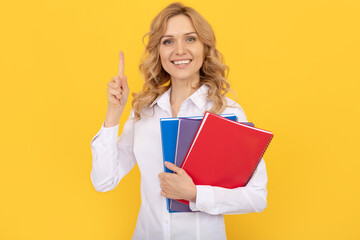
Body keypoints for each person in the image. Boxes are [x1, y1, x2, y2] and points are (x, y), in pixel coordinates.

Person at [90, 2, 268, 240]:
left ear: (205, 47)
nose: (179, 50)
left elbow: (257, 197)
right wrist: (114, 112)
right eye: (168, 41)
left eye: (190, 39)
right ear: (159, 51)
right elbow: (104, 181)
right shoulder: (144, 112)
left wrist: (195, 194)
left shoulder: (227, 113)